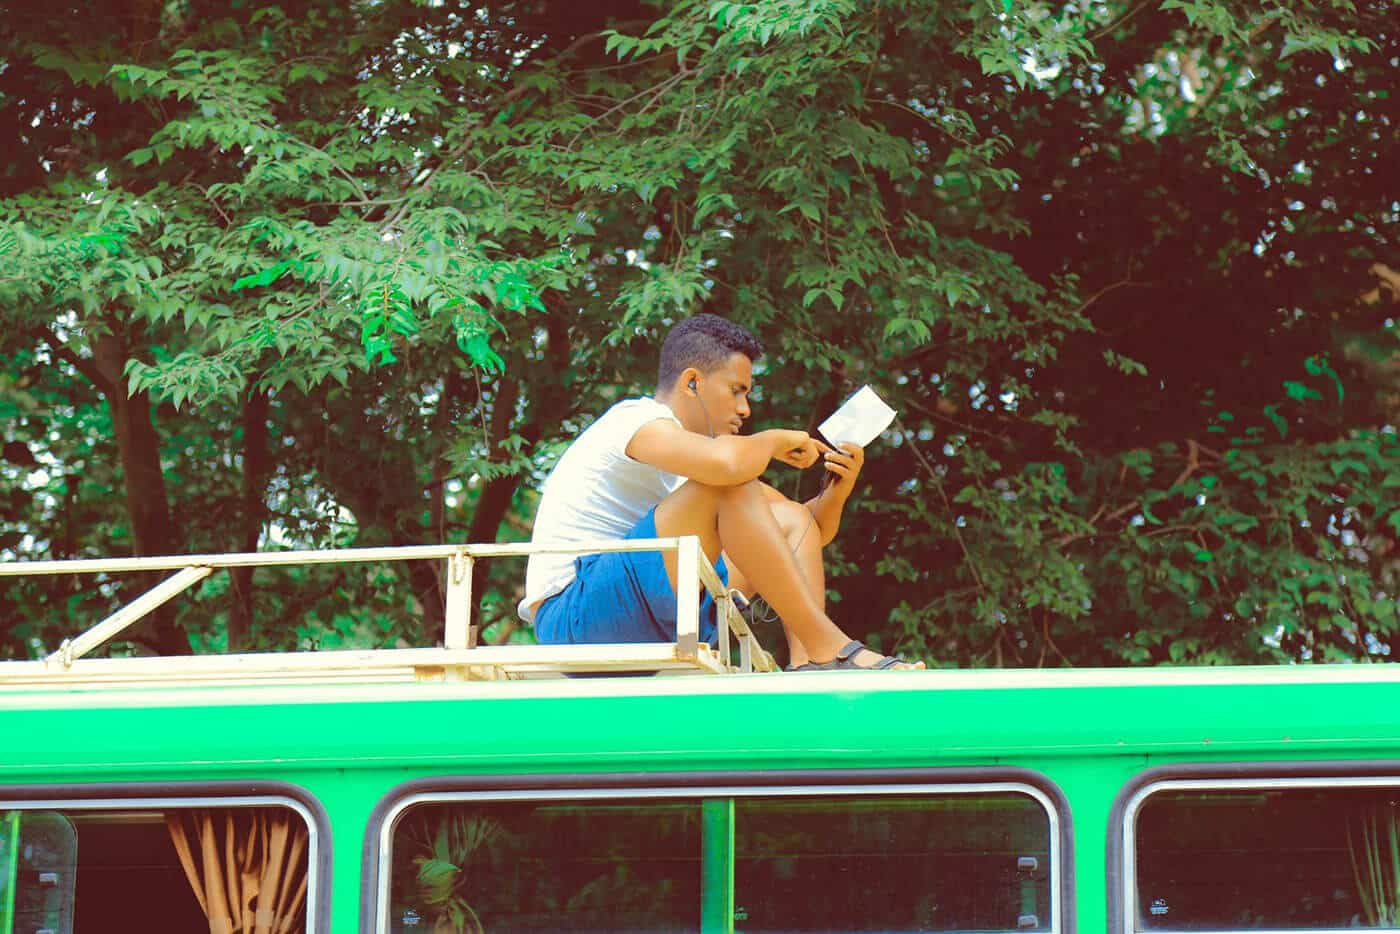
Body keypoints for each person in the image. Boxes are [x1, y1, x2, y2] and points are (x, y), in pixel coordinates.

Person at [517, 314, 921, 671]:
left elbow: (800, 534)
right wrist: (775, 440)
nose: (746, 409)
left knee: (790, 519)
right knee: (730, 484)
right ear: (692, 382)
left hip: (646, 611)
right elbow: (727, 467)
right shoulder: (638, 419)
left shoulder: (701, 467)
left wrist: (838, 489)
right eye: (737, 390)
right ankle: (830, 648)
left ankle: (810, 664)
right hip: (576, 617)